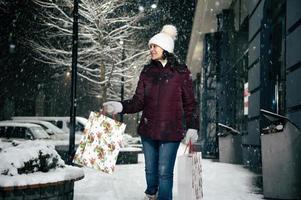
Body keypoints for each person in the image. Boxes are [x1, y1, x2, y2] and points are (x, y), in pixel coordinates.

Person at [103, 24, 199, 200]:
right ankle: (151, 193)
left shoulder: (181, 72)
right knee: (150, 170)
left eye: (154, 46)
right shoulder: (147, 72)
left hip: (171, 131)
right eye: (150, 46)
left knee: (164, 172)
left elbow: (190, 103)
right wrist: (120, 106)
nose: (151, 49)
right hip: (148, 130)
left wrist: (193, 126)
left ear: (166, 47)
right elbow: (138, 101)